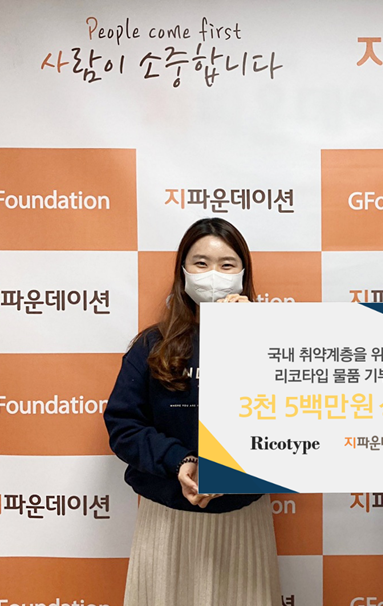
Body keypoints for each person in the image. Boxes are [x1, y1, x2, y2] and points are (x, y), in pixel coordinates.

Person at [104, 218, 280, 606]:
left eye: (227, 264)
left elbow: (290, 419)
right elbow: (124, 425)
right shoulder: (152, 346)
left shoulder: (271, 343)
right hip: (167, 520)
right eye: (201, 263)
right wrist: (181, 462)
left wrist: (252, 337)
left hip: (241, 518)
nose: (213, 274)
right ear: (182, 270)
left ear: (243, 274)